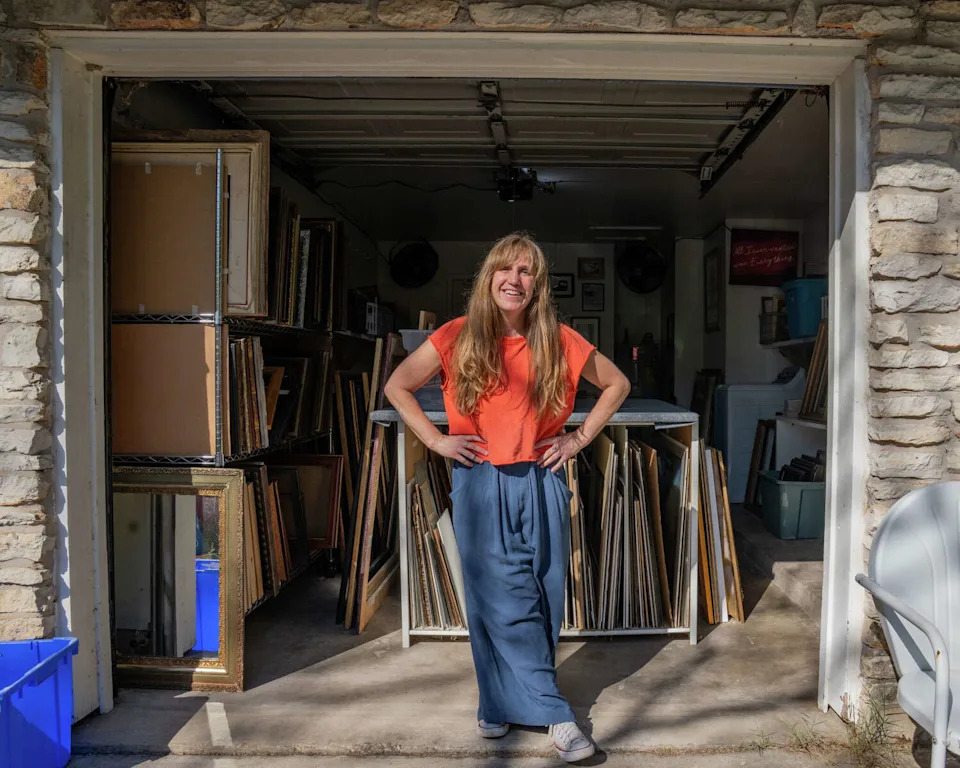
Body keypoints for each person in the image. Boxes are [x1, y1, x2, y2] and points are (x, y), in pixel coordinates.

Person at [383, 232, 630, 764]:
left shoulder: (559, 339)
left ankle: (495, 704)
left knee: (542, 596)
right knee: (504, 599)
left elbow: (617, 384)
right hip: (480, 480)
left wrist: (578, 439)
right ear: (488, 277)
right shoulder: (456, 335)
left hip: (542, 478)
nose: (513, 280)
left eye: (525, 271)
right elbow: (397, 385)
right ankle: (556, 715)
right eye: (505, 269)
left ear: (537, 285)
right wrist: (437, 441)